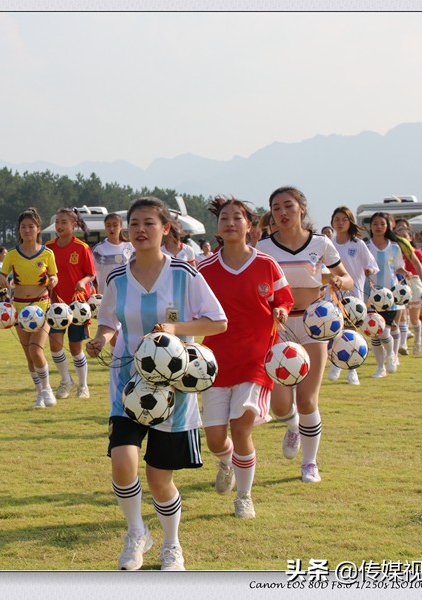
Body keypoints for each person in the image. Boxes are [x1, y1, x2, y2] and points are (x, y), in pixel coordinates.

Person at [86, 196, 227, 570]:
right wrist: (100, 338)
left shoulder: (185, 275)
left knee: (159, 479)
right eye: (134, 224)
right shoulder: (117, 278)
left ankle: (172, 545)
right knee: (122, 461)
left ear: (166, 229)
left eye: (149, 223)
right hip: (128, 386)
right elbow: (108, 320)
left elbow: (218, 321)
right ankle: (136, 533)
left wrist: (175, 329)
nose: (140, 230)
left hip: (174, 390)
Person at [198, 196, 293, 519]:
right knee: (215, 440)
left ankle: (244, 496)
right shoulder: (204, 269)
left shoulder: (266, 263)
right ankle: (226, 462)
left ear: (249, 226)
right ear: (217, 227)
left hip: (257, 359)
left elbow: (284, 298)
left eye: (237, 217)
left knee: (241, 429)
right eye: (224, 218)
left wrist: (281, 310)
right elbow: (192, 309)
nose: (230, 223)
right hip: (216, 362)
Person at [256, 186, 353, 484]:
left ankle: (309, 463)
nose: (283, 213)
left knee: (308, 400)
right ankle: (293, 425)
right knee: (280, 405)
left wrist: (339, 280)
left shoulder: (321, 243)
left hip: (314, 325)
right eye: (276, 208)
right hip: (279, 327)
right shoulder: (263, 247)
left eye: (288, 206)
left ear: (302, 208)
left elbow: (346, 278)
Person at [0, 208, 59, 408]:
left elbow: (54, 275)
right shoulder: (12, 254)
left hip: (42, 305)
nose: (27, 230)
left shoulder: (48, 253)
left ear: (38, 229)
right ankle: (39, 393)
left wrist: (53, 280)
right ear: (19, 230)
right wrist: (2, 280)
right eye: (23, 227)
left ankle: (48, 389)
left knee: (36, 350)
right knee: (29, 355)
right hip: (19, 307)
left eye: (31, 226)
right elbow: (2, 275)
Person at [47, 207, 96, 399]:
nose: (59, 226)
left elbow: (91, 274)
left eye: (63, 222)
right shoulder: (48, 247)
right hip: (56, 306)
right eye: (57, 222)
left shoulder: (81, 248)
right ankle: (66, 380)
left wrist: (82, 282)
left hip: (77, 306)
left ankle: (83, 386)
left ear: (74, 225)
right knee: (55, 345)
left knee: (75, 348)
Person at [327, 206, 378, 384]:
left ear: (350, 222)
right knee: (334, 330)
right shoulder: (329, 244)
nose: (340, 223)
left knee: (351, 332)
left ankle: (352, 370)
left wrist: (369, 270)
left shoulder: (358, 244)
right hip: (333, 293)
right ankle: (336, 364)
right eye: (337, 220)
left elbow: (371, 264)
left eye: (344, 219)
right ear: (332, 222)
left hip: (354, 295)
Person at [364, 212, 409, 377]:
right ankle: (380, 368)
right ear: (370, 226)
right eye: (375, 223)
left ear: (387, 226)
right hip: (370, 296)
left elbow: (398, 267)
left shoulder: (394, 247)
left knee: (385, 331)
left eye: (382, 224)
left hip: (390, 296)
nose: (379, 227)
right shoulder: (365, 246)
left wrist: (404, 272)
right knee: (375, 332)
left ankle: (391, 355)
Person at [393, 223, 422, 356]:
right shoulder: (394, 252)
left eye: (405, 236)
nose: (402, 239)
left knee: (414, 318)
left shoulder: (416, 252)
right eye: (399, 237)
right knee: (402, 315)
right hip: (400, 284)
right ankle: (403, 344)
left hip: (414, 283)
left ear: (410, 238)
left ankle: (417, 342)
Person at [92, 212, 134, 293]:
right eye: (108, 225)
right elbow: (91, 273)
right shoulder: (98, 249)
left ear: (121, 226)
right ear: (105, 227)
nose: (111, 229)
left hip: (127, 293)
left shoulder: (130, 247)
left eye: (115, 225)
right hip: (106, 294)